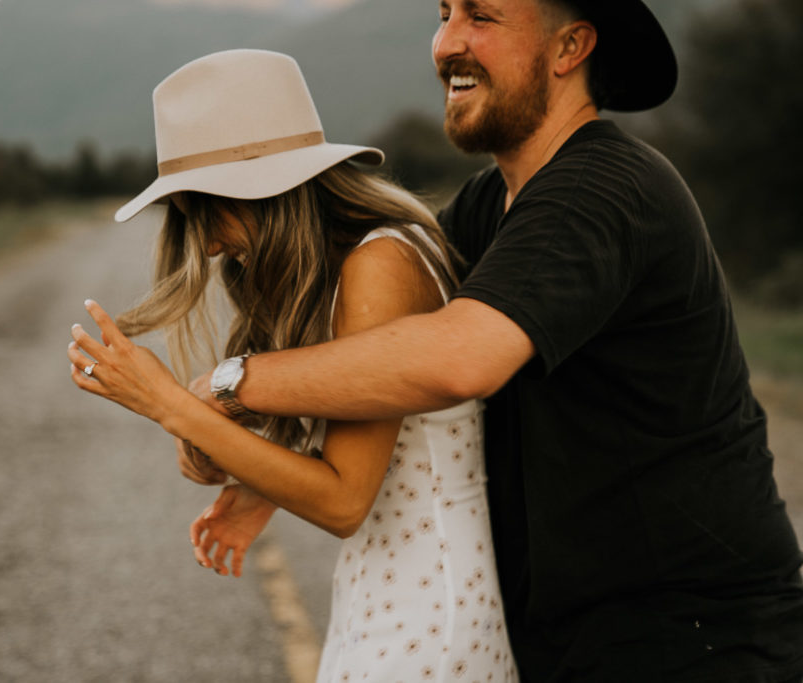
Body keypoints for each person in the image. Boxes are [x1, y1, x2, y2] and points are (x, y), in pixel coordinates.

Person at [73, 1, 803, 680]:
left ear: (571, 47)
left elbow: (459, 358)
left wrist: (221, 384)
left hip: (696, 642)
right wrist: (271, 473)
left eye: (481, 15)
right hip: (584, 637)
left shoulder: (601, 188)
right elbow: (386, 362)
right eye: (444, 12)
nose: (448, 40)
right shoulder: (494, 205)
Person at [69, 49, 518, 681]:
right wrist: (233, 463)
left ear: (264, 190)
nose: (207, 241)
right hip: (383, 599)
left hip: (427, 617)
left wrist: (170, 403)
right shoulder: (340, 267)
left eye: (205, 208)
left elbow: (343, 500)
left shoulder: (381, 264)